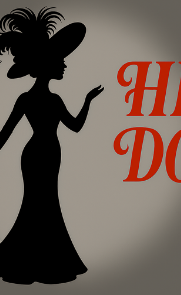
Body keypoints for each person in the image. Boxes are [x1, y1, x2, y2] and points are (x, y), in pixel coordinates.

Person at [0, 7, 100, 284]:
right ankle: (43, 264)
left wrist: (88, 101)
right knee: (39, 204)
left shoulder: (36, 99)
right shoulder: (41, 100)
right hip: (40, 155)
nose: (65, 65)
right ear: (47, 64)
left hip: (42, 154)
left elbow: (76, 126)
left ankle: (30, 263)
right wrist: (87, 102)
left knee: (42, 203)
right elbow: (3, 136)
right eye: (61, 60)